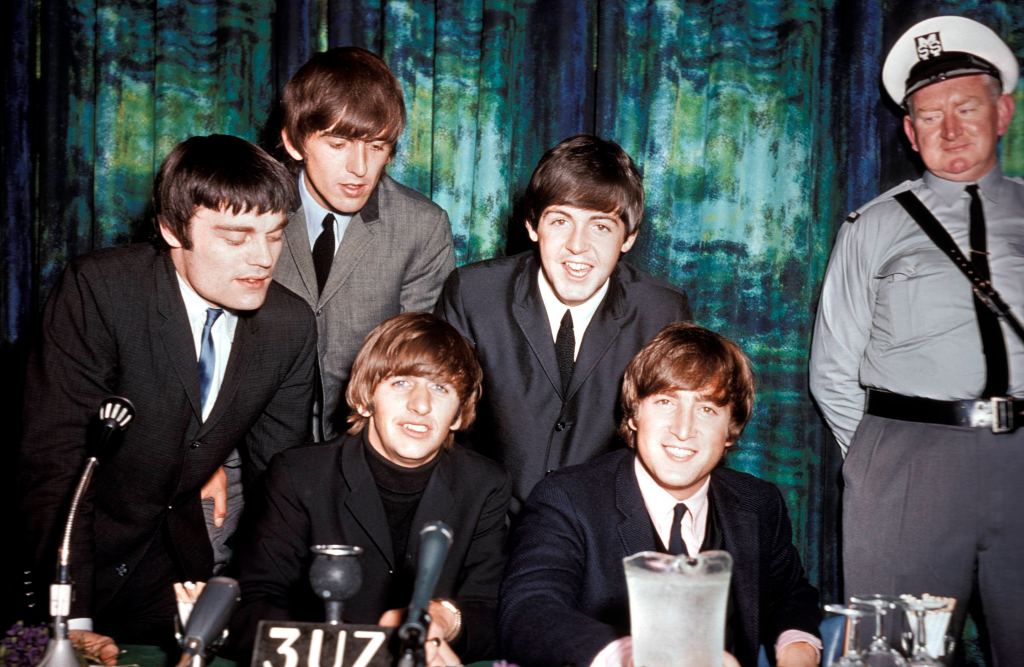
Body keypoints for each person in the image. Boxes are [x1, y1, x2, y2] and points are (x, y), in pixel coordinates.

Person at [16, 134, 317, 662]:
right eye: (236, 236)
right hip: (61, 575)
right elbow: (57, 465)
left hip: (176, 580)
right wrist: (73, 623)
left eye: (274, 235)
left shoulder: (289, 325)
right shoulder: (101, 291)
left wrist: (272, 613)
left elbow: (282, 480)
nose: (262, 258)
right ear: (171, 229)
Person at [809, 15, 1024, 660]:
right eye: (931, 117)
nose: (951, 130)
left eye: (966, 107)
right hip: (909, 462)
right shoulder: (873, 228)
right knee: (898, 654)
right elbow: (832, 370)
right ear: (909, 131)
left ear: (1003, 111)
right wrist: (884, 459)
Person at [499, 322, 821, 667]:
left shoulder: (758, 503)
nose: (683, 429)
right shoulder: (567, 499)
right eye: (666, 401)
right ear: (635, 413)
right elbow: (528, 611)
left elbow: (791, 595)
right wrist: (632, 656)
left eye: (707, 409)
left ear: (731, 429)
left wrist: (796, 649)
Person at [231, 312, 510, 666]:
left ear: (457, 414)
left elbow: (493, 612)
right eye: (402, 383)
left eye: (441, 388)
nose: (421, 405)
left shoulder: (484, 485)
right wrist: (355, 649)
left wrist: (443, 620)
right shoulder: (299, 475)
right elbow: (253, 605)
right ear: (365, 398)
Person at [436, 134, 691, 513]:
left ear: (629, 237)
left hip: (603, 531)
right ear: (532, 224)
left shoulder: (662, 313)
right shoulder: (473, 294)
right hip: (485, 527)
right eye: (560, 221)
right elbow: (440, 430)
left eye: (601, 227)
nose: (577, 245)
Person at [274, 46, 455, 441]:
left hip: (364, 447)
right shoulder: (252, 212)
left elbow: (419, 366)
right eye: (338, 144)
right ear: (293, 143)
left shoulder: (422, 227)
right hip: (247, 445)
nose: (359, 169)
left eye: (376, 147)